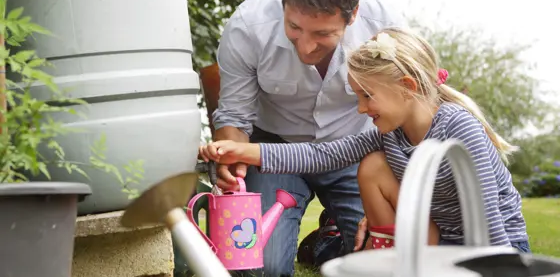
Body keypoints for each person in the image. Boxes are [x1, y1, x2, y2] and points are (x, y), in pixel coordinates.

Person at [200, 27, 531, 253]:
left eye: (368, 96)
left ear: (407, 86)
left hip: (495, 249)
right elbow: (321, 155)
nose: (361, 108)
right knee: (372, 166)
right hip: (442, 246)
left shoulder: (459, 129)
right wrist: (241, 149)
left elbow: (490, 226)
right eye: (357, 96)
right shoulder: (391, 136)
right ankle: (380, 254)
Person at [210, 0, 405, 274]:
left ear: (352, 15)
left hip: (355, 148)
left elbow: (404, 109)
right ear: (283, 3)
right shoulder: (248, 26)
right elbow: (234, 116)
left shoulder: (386, 24)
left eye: (323, 33)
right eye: (294, 28)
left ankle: (330, 240)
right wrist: (231, 161)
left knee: (380, 257)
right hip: (273, 148)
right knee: (261, 267)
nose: (306, 46)